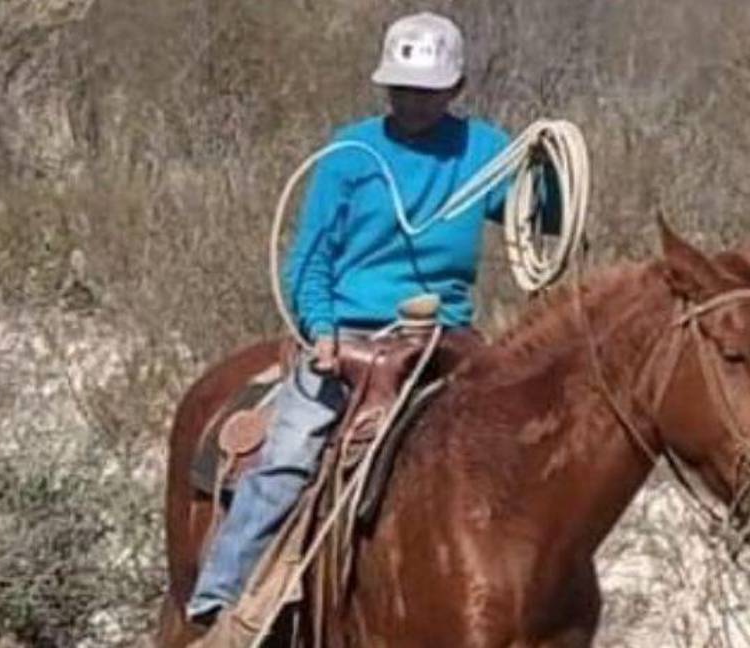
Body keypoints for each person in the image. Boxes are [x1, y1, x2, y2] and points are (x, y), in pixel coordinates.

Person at [186, 11, 535, 623]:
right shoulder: (351, 152)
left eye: (427, 91)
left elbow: (534, 217)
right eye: (403, 89)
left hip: (444, 336)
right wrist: (319, 328)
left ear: (454, 89)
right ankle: (223, 589)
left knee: (517, 446)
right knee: (292, 450)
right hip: (351, 335)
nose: (414, 102)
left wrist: (549, 178)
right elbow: (310, 258)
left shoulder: (484, 150)